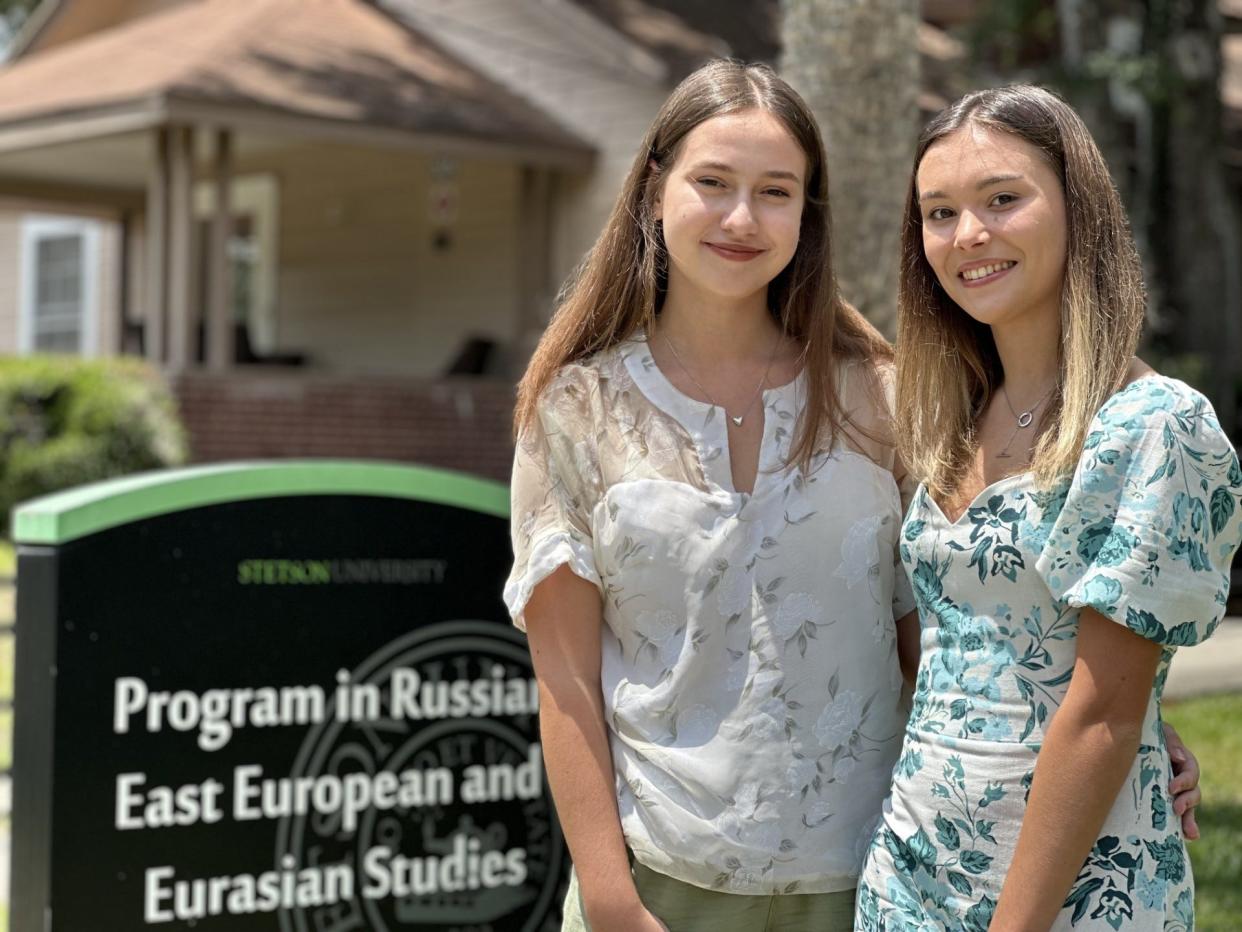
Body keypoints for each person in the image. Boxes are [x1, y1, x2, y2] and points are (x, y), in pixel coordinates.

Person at [506, 62, 1203, 932]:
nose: (740, 217)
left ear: (808, 213)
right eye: (712, 183)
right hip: (659, 881)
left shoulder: (885, 394)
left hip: (874, 877)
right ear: (653, 192)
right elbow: (564, 676)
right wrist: (609, 897)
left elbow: (955, 615)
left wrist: (1138, 732)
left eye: (776, 191)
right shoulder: (575, 409)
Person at [855, 84, 1242, 931]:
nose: (969, 235)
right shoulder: (952, 416)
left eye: (1003, 199)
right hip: (906, 881)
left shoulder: (1154, 425)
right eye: (940, 212)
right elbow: (975, 647)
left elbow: (1101, 712)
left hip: (1071, 898)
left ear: (1079, 210)